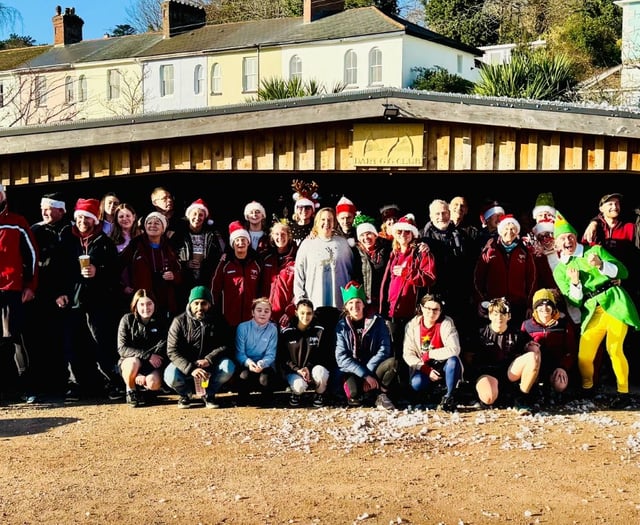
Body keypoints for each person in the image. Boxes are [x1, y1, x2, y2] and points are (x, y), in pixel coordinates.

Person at [552, 211, 640, 409]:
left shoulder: (595, 251)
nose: (567, 240)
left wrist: (602, 265)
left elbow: (624, 272)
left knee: (615, 349)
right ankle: (587, 389)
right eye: (562, 238)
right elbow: (574, 301)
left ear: (576, 237)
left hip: (615, 304)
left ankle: (623, 393)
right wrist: (575, 283)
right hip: (593, 311)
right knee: (584, 355)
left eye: (570, 236)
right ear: (557, 245)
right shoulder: (560, 270)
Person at [56, 197, 121, 401]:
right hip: (73, 301)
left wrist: (98, 271)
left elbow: (115, 272)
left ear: (95, 220)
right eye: (80, 217)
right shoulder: (66, 239)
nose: (83, 221)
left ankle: (111, 383)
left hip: (98, 301)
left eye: (87, 217)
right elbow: (57, 269)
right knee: (73, 344)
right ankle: (76, 385)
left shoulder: (105, 242)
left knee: (102, 343)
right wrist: (59, 292)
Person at [379, 213, 436, 393]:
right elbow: (387, 283)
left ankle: (415, 387)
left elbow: (429, 277)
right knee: (395, 349)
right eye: (400, 232)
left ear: (413, 234)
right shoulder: (394, 253)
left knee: (413, 349)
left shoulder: (420, 252)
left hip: (412, 310)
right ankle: (396, 386)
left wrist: (407, 274)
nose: (403, 235)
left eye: (407, 232)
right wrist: (383, 306)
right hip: (393, 310)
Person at [24, 191, 69, 398]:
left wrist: (64, 292)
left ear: (60, 210)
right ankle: (38, 386)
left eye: (48, 208)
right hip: (40, 296)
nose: (44, 212)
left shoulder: (71, 231)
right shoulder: (34, 231)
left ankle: (61, 384)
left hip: (66, 297)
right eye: (42, 209)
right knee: (39, 342)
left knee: (61, 342)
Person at [164, 286, 236, 409]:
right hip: (186, 364)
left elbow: (227, 344)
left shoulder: (219, 319)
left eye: (204, 303)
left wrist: (209, 359)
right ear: (190, 304)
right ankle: (185, 394)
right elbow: (172, 351)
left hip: (211, 364)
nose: (199, 307)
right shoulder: (179, 321)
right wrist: (191, 368)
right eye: (196, 303)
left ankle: (210, 393)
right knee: (170, 375)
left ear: (209, 304)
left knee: (228, 367)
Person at [293, 206, 355, 350]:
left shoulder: (342, 244)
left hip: (338, 304)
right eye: (323, 219)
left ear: (334, 223)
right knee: (317, 342)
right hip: (314, 303)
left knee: (337, 341)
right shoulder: (307, 244)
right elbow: (299, 274)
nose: (326, 223)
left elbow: (351, 271)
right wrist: (300, 299)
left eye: (330, 220)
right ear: (316, 222)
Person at [467, 297, 541, 414]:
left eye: (503, 314)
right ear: (490, 315)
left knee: (533, 356)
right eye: (495, 314)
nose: (499, 318)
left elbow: (531, 353)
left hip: (510, 372)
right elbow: (469, 358)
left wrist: (533, 348)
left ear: (509, 316)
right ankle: (486, 394)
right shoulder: (480, 333)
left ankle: (522, 398)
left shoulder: (518, 334)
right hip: (487, 372)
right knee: (488, 397)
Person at [0, 184, 39, 402]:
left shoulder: (17, 222)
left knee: (15, 340)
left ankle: (27, 388)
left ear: (3, 196)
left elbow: (32, 255)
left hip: (11, 289)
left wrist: (30, 285)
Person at [420, 198, 477, 346]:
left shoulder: (462, 236)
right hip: (433, 294)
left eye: (444, 213)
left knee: (457, 335)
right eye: (437, 214)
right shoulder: (422, 238)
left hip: (458, 294)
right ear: (431, 217)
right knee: (432, 334)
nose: (441, 217)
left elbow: (471, 263)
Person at [335, 280, 397, 410]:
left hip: (373, 367)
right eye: (351, 303)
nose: (355, 306)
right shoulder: (341, 326)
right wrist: (364, 375)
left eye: (358, 302)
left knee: (393, 363)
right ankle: (365, 393)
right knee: (354, 395)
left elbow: (384, 349)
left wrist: (368, 372)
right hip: (353, 370)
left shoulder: (378, 321)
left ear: (363, 304)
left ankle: (381, 394)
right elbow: (341, 357)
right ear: (346, 306)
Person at [473, 214, 537, 328]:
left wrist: (529, 305)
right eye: (506, 228)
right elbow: (478, 278)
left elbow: (531, 279)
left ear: (517, 231)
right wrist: (481, 301)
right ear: (500, 230)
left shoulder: (524, 251)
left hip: (518, 304)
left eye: (513, 229)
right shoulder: (490, 250)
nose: (509, 232)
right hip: (495, 305)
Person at [403, 293, 463, 412]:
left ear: (440, 310)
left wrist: (430, 354)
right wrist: (425, 369)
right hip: (423, 365)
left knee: (453, 361)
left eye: (436, 310)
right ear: (421, 308)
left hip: (443, 364)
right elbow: (407, 353)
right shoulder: (412, 325)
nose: (431, 313)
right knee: (417, 383)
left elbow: (454, 349)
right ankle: (427, 395)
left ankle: (449, 396)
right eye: (428, 309)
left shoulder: (446, 323)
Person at [120, 211, 183, 320]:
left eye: (157, 223)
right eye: (149, 223)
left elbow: (180, 270)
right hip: (143, 298)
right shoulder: (136, 245)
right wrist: (123, 286)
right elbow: (118, 265)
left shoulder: (169, 246)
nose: (152, 225)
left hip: (164, 297)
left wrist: (174, 276)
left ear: (163, 229)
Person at [520, 288, 578, 402]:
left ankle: (554, 391)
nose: (545, 309)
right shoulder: (527, 325)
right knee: (533, 348)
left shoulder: (563, 324)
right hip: (535, 367)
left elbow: (572, 350)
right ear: (535, 308)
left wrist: (563, 367)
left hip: (555, 366)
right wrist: (527, 347)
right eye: (540, 306)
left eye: (548, 305)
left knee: (560, 384)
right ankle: (531, 390)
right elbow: (519, 348)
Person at [117, 289, 168, 407]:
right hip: (132, 363)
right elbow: (122, 348)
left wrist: (145, 371)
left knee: (152, 382)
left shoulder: (162, 321)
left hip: (153, 364)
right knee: (133, 362)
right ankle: (131, 391)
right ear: (135, 306)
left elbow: (163, 346)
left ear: (154, 304)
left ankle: (148, 393)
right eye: (142, 304)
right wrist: (146, 357)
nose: (146, 308)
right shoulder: (127, 320)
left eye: (149, 303)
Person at [171, 198, 225, 307]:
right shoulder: (179, 235)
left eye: (201, 215)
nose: (197, 218)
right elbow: (171, 256)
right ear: (188, 215)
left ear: (205, 217)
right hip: (184, 280)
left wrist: (204, 264)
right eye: (194, 214)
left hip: (205, 279)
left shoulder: (212, 235)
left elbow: (217, 257)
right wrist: (185, 263)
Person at [211, 220, 263, 331]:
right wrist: (216, 312)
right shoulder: (225, 263)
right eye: (237, 240)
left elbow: (261, 289)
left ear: (248, 242)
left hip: (251, 319)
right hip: (229, 319)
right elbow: (215, 288)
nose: (240, 243)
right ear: (232, 244)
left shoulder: (256, 263)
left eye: (243, 240)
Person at [279, 299, 330, 407]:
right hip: (294, 371)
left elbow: (323, 355)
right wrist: (297, 369)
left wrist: (308, 367)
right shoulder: (287, 332)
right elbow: (283, 358)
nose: (305, 316)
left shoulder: (319, 331)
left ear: (313, 314)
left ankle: (319, 394)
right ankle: (296, 393)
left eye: (309, 313)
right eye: (302, 313)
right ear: (296, 312)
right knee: (299, 386)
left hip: (312, 369)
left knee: (321, 373)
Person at [235, 297, 279, 406]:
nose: (263, 314)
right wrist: (249, 363)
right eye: (259, 310)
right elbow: (239, 352)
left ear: (270, 314)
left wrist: (262, 363)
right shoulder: (242, 327)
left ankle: (266, 402)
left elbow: (271, 353)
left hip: (264, 365)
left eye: (266, 311)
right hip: (247, 364)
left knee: (266, 379)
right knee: (244, 376)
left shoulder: (273, 329)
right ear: (252, 312)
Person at [352, 212, 391, 314]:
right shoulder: (355, 252)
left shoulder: (387, 248)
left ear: (375, 235)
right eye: (362, 235)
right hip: (364, 299)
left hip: (384, 298)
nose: (366, 238)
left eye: (369, 233)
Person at [261, 220, 297, 325]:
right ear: (272, 237)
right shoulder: (266, 258)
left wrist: (289, 311)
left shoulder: (296, 259)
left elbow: (301, 288)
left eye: (283, 234)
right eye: (276, 234)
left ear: (289, 236)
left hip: (286, 316)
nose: (280, 237)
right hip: (265, 315)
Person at [290, 179, 320, 247]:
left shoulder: (317, 228)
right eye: (300, 207)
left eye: (307, 207)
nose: (304, 210)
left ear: (312, 210)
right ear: (296, 210)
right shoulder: (290, 228)